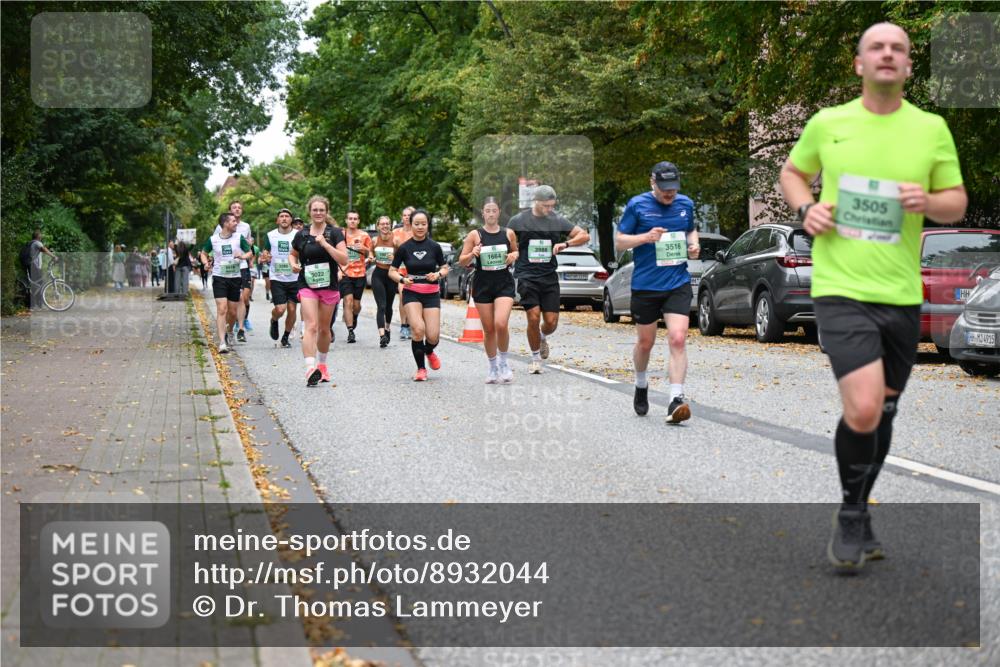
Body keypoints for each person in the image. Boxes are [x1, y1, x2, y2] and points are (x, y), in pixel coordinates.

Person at [779, 22, 967, 569]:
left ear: (908, 66)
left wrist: (926, 199)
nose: (887, 54)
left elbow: (955, 202)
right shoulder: (829, 123)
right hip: (841, 288)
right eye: (876, 47)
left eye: (898, 49)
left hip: (902, 294)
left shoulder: (930, 129)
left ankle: (859, 508)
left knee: (883, 410)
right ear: (859, 63)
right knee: (862, 406)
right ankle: (850, 513)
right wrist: (805, 209)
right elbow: (792, 174)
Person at [615, 161, 699, 424]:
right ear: (653, 182)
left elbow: (691, 228)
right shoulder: (637, 205)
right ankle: (641, 384)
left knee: (677, 338)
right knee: (646, 343)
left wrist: (693, 243)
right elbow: (619, 241)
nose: (669, 194)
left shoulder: (685, 204)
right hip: (646, 285)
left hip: (676, 282)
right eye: (664, 189)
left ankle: (676, 398)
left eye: (673, 189)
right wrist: (645, 237)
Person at [508, 185, 590, 374]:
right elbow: (506, 240)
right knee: (533, 316)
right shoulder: (519, 220)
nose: (549, 209)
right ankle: (535, 358)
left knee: (551, 321)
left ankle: (542, 336)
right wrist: (512, 253)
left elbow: (583, 234)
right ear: (536, 202)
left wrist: (565, 243)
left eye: (552, 205)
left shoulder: (557, 220)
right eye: (546, 206)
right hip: (527, 275)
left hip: (548, 276)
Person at [290, 195, 348, 386]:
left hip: (329, 285)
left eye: (321, 210)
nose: (318, 213)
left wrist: (324, 244)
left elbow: (344, 259)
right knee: (311, 326)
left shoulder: (335, 233)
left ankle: (322, 365)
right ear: (310, 212)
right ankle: (309, 368)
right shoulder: (302, 235)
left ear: (326, 212)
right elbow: (293, 254)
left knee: (324, 329)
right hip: (307, 285)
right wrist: (293, 264)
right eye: (315, 210)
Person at [459, 197, 518, 383]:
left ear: (499, 212)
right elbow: (462, 261)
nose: (491, 214)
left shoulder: (508, 233)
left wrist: (511, 256)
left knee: (501, 323)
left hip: (503, 283)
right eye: (487, 210)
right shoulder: (474, 235)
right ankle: (492, 367)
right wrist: (472, 253)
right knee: (489, 329)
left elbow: (516, 251)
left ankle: (504, 363)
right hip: (483, 284)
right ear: (483, 213)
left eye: (494, 210)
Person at [389, 209, 448, 381]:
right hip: (412, 292)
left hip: (431, 294)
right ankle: (421, 369)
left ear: (428, 225)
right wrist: (402, 279)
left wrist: (438, 275)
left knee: (433, 336)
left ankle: (429, 350)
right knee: (418, 329)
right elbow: (392, 272)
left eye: (423, 224)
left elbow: (444, 268)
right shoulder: (404, 248)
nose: (420, 227)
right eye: (417, 224)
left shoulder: (435, 247)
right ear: (410, 225)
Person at [200, 212, 252, 354]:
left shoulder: (238, 237)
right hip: (219, 277)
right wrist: (205, 263)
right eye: (233, 221)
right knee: (222, 309)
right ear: (225, 223)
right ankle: (222, 342)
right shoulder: (213, 239)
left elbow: (250, 253)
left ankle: (229, 332)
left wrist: (242, 256)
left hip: (235, 278)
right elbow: (203, 253)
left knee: (232, 312)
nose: (236, 223)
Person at [214, 200, 254, 339]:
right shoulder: (221, 227)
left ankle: (241, 328)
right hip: (226, 268)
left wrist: (248, 258)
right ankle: (231, 325)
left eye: (239, 207)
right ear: (229, 210)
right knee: (230, 303)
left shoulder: (246, 226)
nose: (237, 209)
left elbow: (249, 246)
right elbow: (215, 243)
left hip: (241, 265)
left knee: (243, 298)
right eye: (234, 207)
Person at [261, 208, 300, 348]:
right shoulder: (270, 235)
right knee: (280, 309)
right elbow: (265, 253)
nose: (284, 218)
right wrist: (265, 257)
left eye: (287, 216)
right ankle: (274, 320)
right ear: (277, 220)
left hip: (294, 278)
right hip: (277, 277)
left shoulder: (298, 234)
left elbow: (302, 252)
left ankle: (285, 337)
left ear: (291, 220)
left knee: (292, 309)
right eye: (281, 216)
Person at [339, 210, 372, 343]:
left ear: (358, 221)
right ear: (346, 220)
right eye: (350, 219)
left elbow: (370, 253)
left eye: (355, 219)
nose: (352, 221)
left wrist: (363, 249)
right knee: (348, 301)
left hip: (360, 273)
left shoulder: (364, 235)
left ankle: (355, 316)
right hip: (346, 272)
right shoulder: (341, 235)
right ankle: (350, 331)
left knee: (356, 305)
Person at [371, 216, 398, 348]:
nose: (385, 226)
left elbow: (403, 257)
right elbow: (369, 254)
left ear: (390, 225)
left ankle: (387, 328)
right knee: (381, 306)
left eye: (387, 223)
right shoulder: (375, 240)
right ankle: (382, 336)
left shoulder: (396, 240)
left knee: (388, 306)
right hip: (378, 275)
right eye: (382, 224)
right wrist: (370, 257)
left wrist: (395, 258)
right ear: (378, 226)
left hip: (391, 275)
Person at [393, 206, 415, 339]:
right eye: (404, 215)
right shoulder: (395, 232)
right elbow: (388, 250)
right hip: (400, 269)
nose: (406, 217)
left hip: (415, 269)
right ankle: (403, 325)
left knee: (414, 298)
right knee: (402, 295)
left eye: (409, 215)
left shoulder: (417, 231)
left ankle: (413, 322)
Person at [22, 229, 58, 307]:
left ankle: (36, 302)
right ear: (38, 236)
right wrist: (53, 256)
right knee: (40, 283)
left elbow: (42, 250)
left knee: (37, 283)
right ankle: (36, 302)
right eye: (40, 235)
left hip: (31, 265)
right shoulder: (37, 243)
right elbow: (43, 249)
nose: (41, 237)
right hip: (33, 266)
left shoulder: (31, 243)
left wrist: (50, 252)